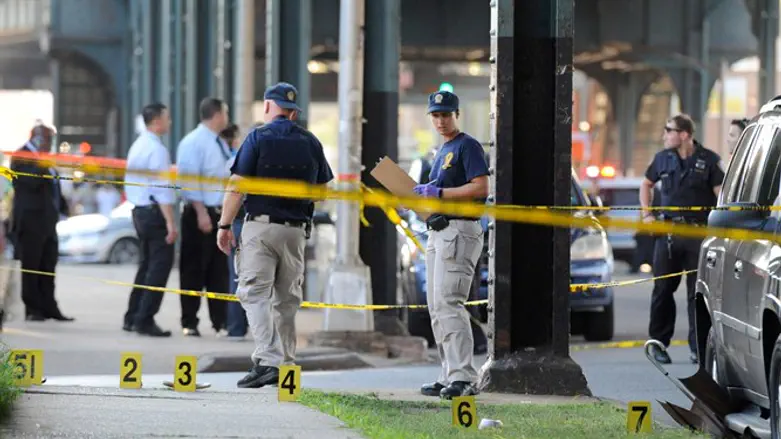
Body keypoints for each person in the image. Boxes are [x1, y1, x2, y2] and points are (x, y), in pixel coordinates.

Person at [216, 82, 333, 388]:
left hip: (261, 228)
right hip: (295, 232)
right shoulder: (311, 141)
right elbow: (322, 193)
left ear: (268, 106)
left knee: (253, 293)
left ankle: (268, 359)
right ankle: (287, 364)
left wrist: (224, 226)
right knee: (287, 300)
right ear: (294, 112)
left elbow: (236, 186)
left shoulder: (257, 137)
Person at [412, 90, 489, 399]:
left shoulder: (467, 146)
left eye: (446, 115)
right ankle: (448, 375)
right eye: (436, 115)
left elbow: (481, 186)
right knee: (436, 307)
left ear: (457, 115)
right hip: (440, 230)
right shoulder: (441, 150)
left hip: (460, 230)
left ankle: (463, 376)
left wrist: (439, 195)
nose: (441, 120)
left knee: (449, 302)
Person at [640, 114, 724, 365]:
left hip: (698, 234)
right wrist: (646, 214)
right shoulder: (661, 159)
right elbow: (646, 184)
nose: (664, 135)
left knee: (695, 293)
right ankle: (657, 343)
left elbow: (720, 195)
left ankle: (697, 347)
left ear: (685, 134)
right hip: (668, 234)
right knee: (662, 289)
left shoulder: (708, 160)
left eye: (669, 130)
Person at [175, 98, 231, 337]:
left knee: (218, 272)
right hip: (200, 213)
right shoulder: (193, 142)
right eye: (225, 113)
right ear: (217, 114)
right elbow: (189, 181)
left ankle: (220, 322)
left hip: (219, 213)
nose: (227, 118)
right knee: (193, 270)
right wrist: (201, 213)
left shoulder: (219, 142)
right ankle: (190, 321)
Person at [122, 103, 178, 337]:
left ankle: (133, 316)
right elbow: (161, 189)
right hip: (154, 213)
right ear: (156, 121)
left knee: (145, 266)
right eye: (167, 117)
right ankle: (145, 320)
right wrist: (170, 223)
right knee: (158, 267)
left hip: (140, 211)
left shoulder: (139, 144)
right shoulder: (157, 150)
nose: (170, 122)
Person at [9, 123, 73, 322]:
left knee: (48, 264)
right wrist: (44, 164)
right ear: (37, 138)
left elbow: (52, 184)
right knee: (32, 265)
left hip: (47, 221)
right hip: (31, 220)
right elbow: (31, 181)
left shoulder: (45, 159)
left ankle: (49, 306)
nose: (50, 144)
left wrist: (62, 206)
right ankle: (33, 308)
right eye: (48, 139)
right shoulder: (22, 155)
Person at [221, 122, 249, 340]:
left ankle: (236, 328)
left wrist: (225, 225)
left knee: (237, 277)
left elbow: (231, 193)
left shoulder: (237, 161)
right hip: (265, 224)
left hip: (240, 223)